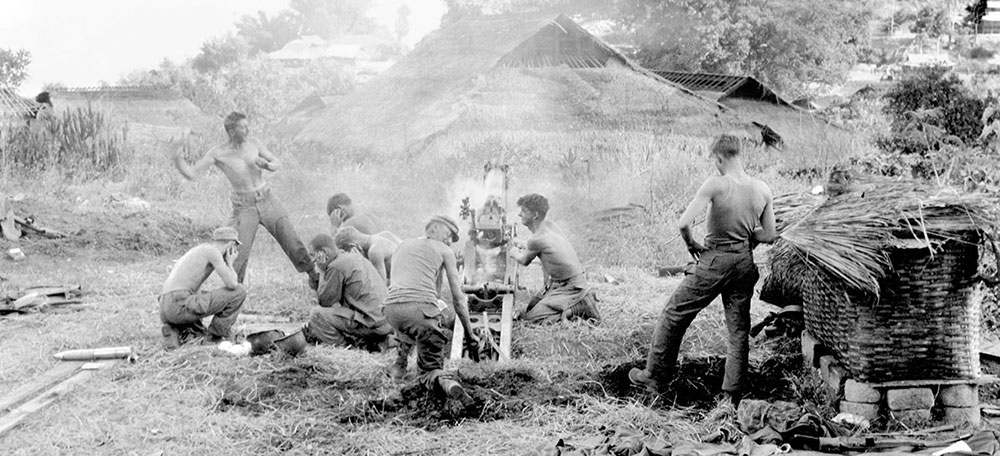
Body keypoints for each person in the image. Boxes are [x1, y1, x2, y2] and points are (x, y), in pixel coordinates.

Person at [629, 134, 776, 406]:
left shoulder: (716, 184)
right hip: (744, 262)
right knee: (738, 330)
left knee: (675, 313)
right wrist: (745, 237)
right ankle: (731, 394)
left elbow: (684, 222)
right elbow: (769, 235)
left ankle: (654, 376)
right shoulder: (762, 188)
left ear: (719, 157)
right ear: (740, 156)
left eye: (715, 161)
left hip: (714, 260)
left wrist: (691, 244)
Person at [171, 112, 318, 288]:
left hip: (267, 199)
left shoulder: (254, 144)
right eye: (243, 127)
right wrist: (177, 158)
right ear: (232, 131)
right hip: (244, 207)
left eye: (248, 126)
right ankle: (234, 292)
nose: (248, 130)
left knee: (291, 239)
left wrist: (269, 166)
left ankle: (314, 276)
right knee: (237, 251)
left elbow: (275, 161)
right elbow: (192, 173)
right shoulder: (218, 153)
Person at [383, 215, 479, 401]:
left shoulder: (402, 245)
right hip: (418, 311)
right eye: (449, 234)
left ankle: (399, 367)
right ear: (433, 228)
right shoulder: (444, 250)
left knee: (412, 321)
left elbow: (402, 287)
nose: (450, 241)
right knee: (431, 368)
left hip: (391, 310)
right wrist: (470, 334)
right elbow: (459, 300)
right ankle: (447, 383)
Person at [508, 194, 600, 324]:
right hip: (563, 281)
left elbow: (524, 260)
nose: (519, 214)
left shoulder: (536, 240)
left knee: (531, 319)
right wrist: (520, 243)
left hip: (571, 286)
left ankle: (580, 306)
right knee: (531, 308)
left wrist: (512, 251)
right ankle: (571, 305)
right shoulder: (549, 226)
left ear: (535, 215)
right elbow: (543, 247)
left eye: (524, 211)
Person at [300, 234, 395, 352]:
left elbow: (325, 302)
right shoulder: (352, 258)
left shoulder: (336, 266)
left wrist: (321, 272)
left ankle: (348, 349)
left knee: (317, 315)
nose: (314, 261)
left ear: (323, 252)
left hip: (372, 323)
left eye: (314, 255)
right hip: (387, 320)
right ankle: (374, 343)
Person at [159, 226, 247, 350]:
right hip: (179, 304)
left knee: (199, 297)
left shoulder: (199, 250)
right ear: (231, 245)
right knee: (239, 292)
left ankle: (174, 329)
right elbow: (233, 284)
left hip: (165, 307)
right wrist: (230, 263)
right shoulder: (214, 252)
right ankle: (215, 337)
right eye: (235, 247)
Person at [333, 225, 399, 286]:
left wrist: (362, 263)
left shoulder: (374, 252)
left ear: (353, 247)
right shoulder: (384, 234)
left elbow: (381, 286)